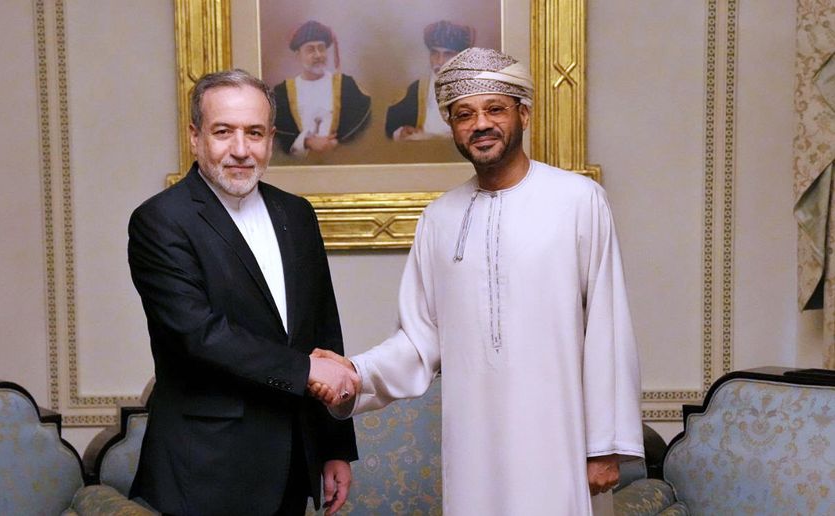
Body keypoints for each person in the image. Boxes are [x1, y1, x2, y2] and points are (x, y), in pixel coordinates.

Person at [311, 48, 643, 515]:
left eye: (494, 109)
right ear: (452, 126)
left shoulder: (578, 201)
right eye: (464, 114)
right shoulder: (438, 218)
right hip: (474, 449)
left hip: (559, 441)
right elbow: (418, 341)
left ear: (523, 114)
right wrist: (354, 372)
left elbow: (608, 326)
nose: (480, 124)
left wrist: (605, 444)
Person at [127, 69, 360, 516]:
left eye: (254, 133)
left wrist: (334, 447)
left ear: (271, 138)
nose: (240, 149)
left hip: (294, 462)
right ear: (195, 136)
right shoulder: (160, 221)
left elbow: (323, 330)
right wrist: (306, 369)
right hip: (205, 469)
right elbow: (198, 335)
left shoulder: (297, 213)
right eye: (223, 132)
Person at [273, 20, 371, 157]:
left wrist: (337, 143)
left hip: (340, 162)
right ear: (298, 55)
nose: (318, 55)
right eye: (310, 50)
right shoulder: (282, 93)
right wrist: (306, 142)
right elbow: (276, 136)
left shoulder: (346, 86)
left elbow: (363, 126)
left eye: (321, 48)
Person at [385, 20, 474, 141]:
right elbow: (390, 126)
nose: (439, 61)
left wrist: (430, 138)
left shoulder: (474, 89)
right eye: (435, 53)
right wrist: (401, 132)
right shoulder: (417, 88)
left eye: (448, 54)